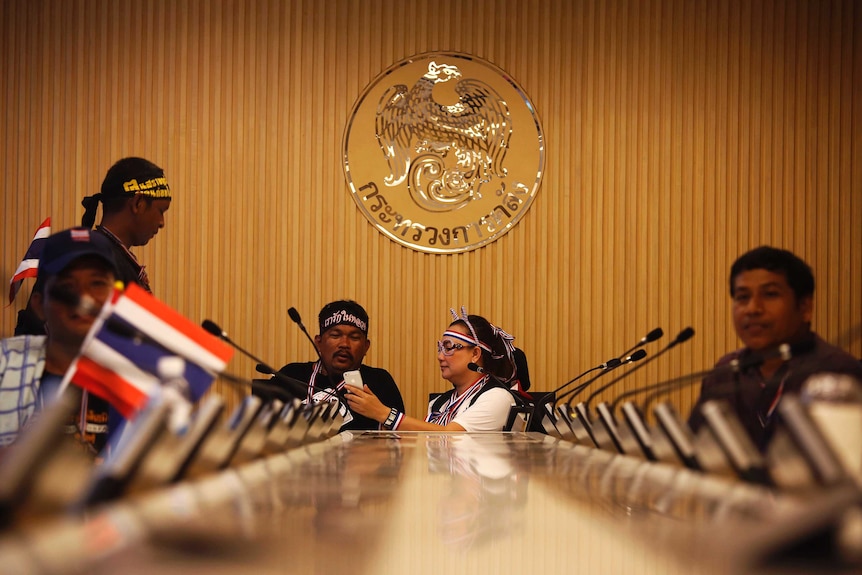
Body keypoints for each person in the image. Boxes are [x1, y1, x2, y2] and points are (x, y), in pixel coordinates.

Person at [688, 246, 862, 450]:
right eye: (742, 297)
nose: (753, 308)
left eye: (770, 294)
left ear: (805, 308)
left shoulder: (837, 371)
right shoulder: (725, 372)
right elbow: (693, 449)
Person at [0, 228, 119, 451]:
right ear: (38, 305)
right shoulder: (5, 364)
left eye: (97, 284)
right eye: (67, 286)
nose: (83, 297)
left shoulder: (133, 375)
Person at [345, 308, 520, 432]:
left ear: (475, 354)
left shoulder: (497, 397)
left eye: (449, 347)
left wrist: (383, 413)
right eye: (440, 348)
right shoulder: (440, 402)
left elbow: (450, 437)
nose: (440, 356)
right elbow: (426, 440)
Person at [272, 300, 404, 431]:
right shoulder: (290, 376)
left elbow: (398, 441)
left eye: (354, 337)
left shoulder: (380, 382)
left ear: (366, 346)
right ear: (319, 342)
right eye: (335, 335)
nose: (344, 344)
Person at [80, 156, 172, 293]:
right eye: (160, 211)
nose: (161, 222)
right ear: (137, 203)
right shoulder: (98, 263)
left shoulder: (112, 257)